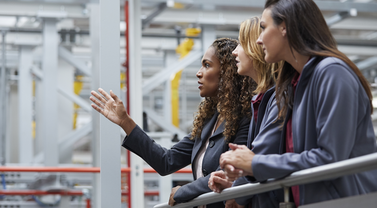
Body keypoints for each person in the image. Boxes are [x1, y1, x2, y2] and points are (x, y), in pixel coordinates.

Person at [217, 0, 377, 207]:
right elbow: (293, 157)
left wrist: (255, 163)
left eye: (263, 28)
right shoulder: (294, 84)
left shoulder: (332, 73)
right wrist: (246, 171)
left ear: (284, 27)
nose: (259, 40)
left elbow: (330, 158)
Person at [89, 38, 255, 208]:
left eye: (207, 65)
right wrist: (125, 122)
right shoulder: (208, 123)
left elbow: (227, 173)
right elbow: (166, 161)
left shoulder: (245, 119)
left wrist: (183, 192)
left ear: (227, 73)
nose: (199, 73)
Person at [207, 17, 284, 208]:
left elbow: (259, 157)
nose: (235, 52)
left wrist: (237, 192)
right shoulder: (259, 101)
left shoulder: (277, 98)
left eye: (241, 44)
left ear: (256, 47)